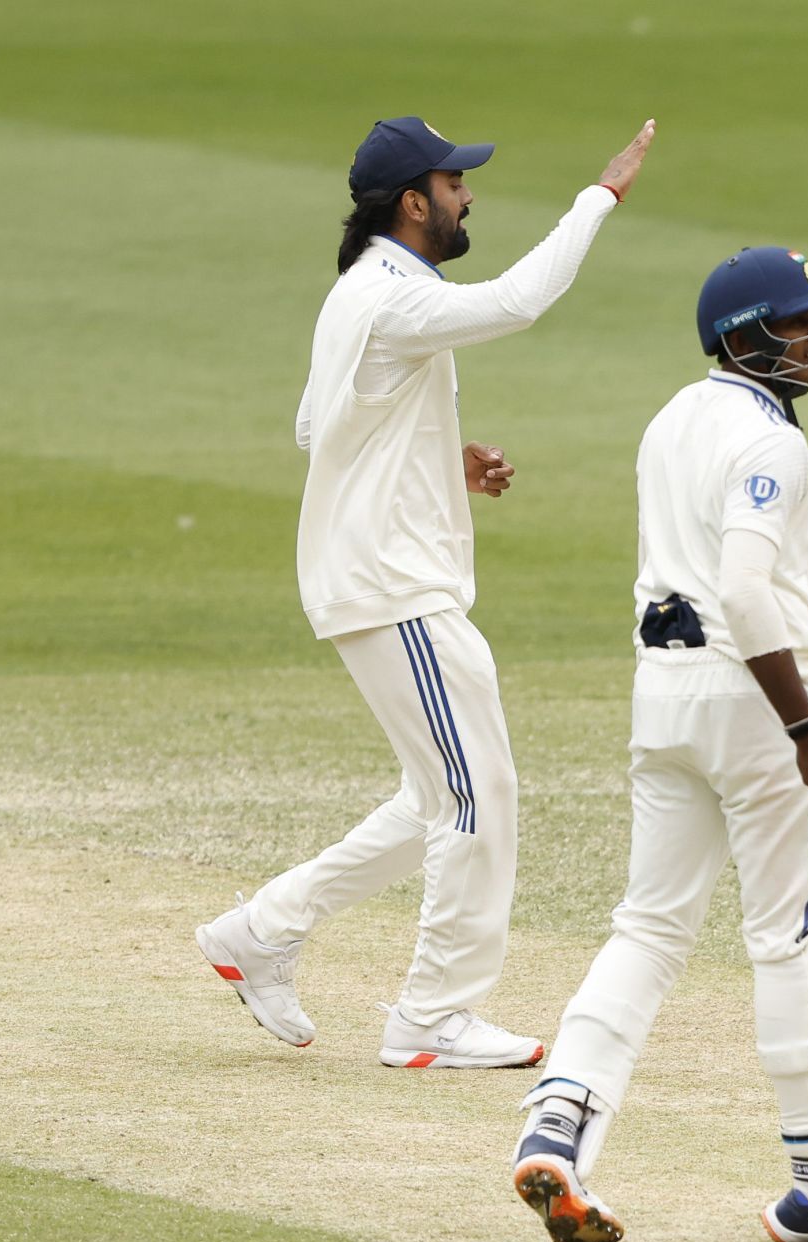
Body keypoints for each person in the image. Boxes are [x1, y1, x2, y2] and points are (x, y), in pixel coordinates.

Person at [195, 114, 656, 1069]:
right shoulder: (390, 299)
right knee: (477, 800)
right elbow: (521, 300)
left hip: (380, 584)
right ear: (414, 202)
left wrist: (444, 463)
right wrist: (597, 197)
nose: (468, 194)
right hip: (393, 590)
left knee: (436, 798)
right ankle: (433, 1018)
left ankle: (260, 932)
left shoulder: (365, 294)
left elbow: (319, 430)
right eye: (455, 183)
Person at [507, 247, 808, 1242]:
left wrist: (806, 655)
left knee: (647, 927)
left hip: (665, 699)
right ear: (746, 336)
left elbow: (705, 579)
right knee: (791, 935)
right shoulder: (775, 445)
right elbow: (741, 589)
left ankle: (559, 1123)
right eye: (801, 322)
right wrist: (806, 722)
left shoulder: (673, 416)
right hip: (757, 712)